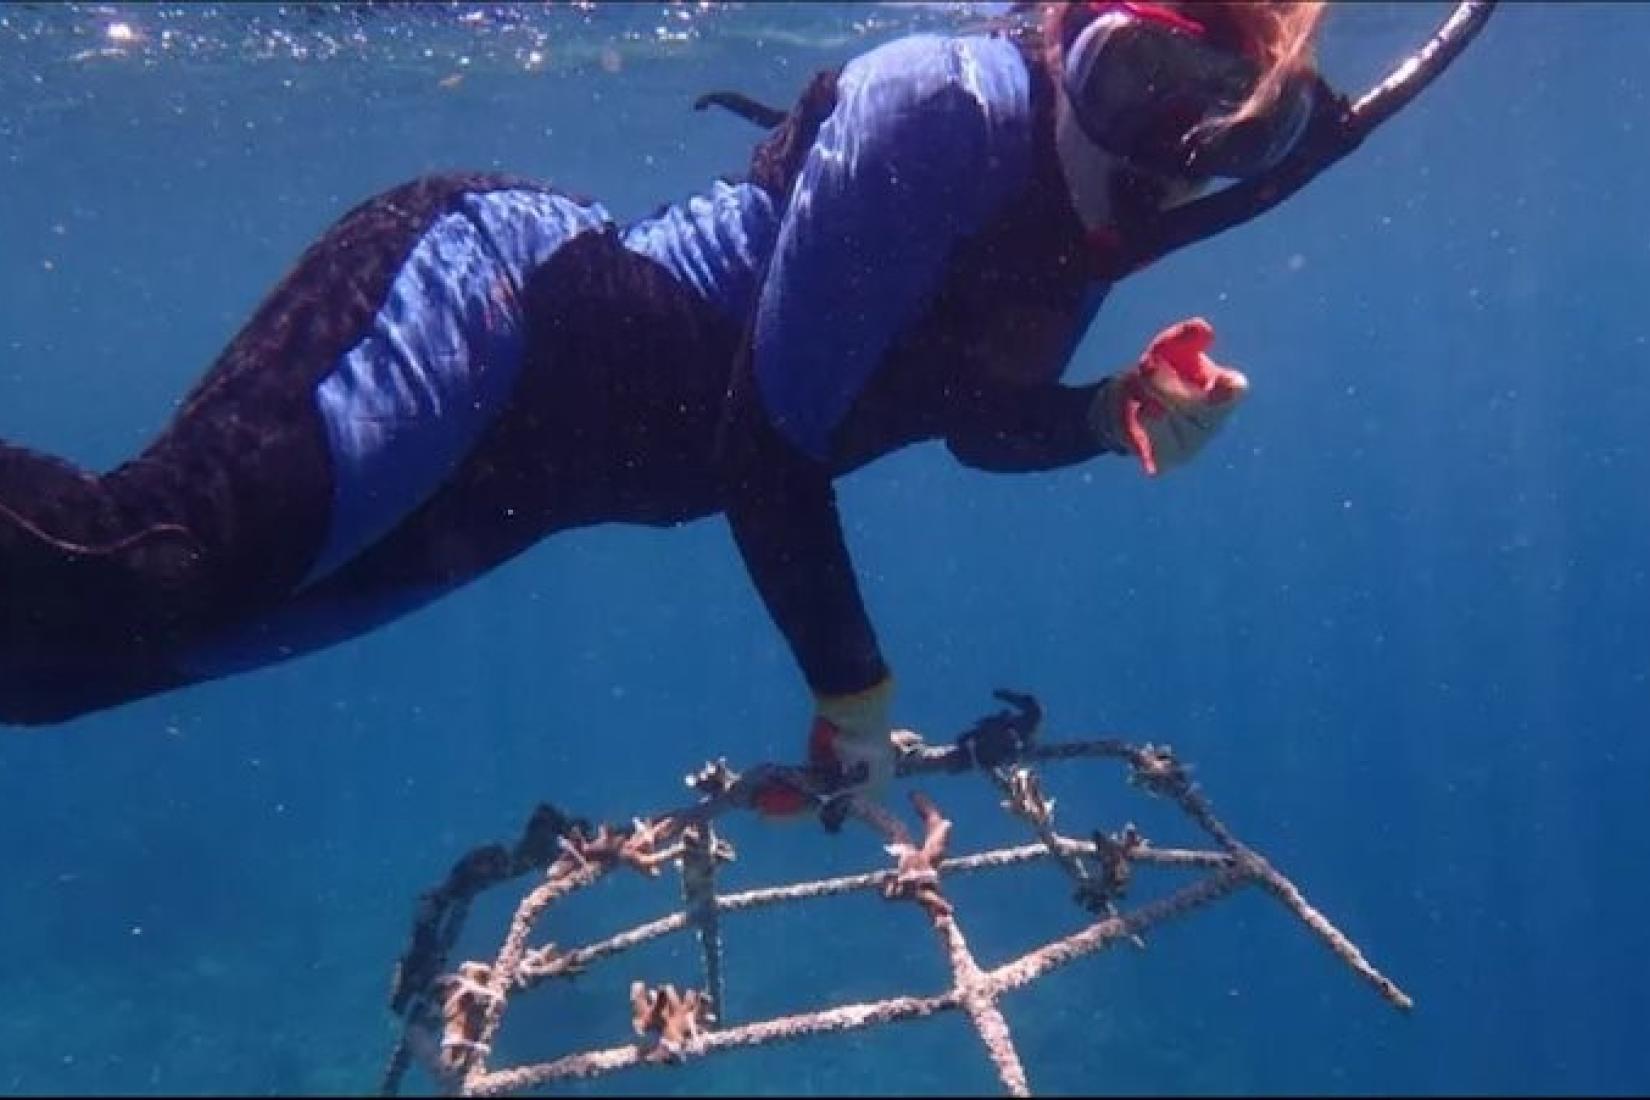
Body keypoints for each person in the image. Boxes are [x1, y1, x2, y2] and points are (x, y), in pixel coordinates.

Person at [0, 1, 1326, 813]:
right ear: (1067, 33)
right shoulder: (948, 106)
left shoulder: (1072, 232)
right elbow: (766, 444)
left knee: (65, 669)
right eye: (1142, 83)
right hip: (490, 304)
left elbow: (974, 420)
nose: (1171, 151)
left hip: (527, 479)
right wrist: (852, 695)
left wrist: (1107, 411)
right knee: (124, 573)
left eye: (1228, 127)